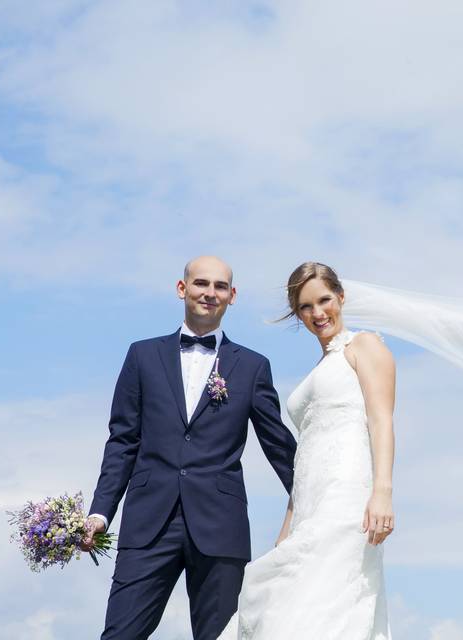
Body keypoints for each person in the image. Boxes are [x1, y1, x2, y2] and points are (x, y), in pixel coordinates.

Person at [81, 256, 297, 640]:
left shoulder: (252, 366)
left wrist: (319, 499)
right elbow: (122, 441)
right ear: (182, 289)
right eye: (201, 284)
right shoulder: (141, 356)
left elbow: (278, 445)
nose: (209, 293)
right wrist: (100, 512)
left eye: (219, 287)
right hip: (148, 523)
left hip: (221, 526)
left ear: (232, 296)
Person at [219, 262, 395, 639]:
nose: (318, 313)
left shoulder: (364, 346)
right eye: (306, 307)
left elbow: (381, 421)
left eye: (324, 300)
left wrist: (382, 492)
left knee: (319, 610)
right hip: (309, 504)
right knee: (287, 606)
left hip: (347, 498)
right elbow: (305, 455)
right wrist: (287, 526)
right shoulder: (321, 365)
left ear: (341, 297)